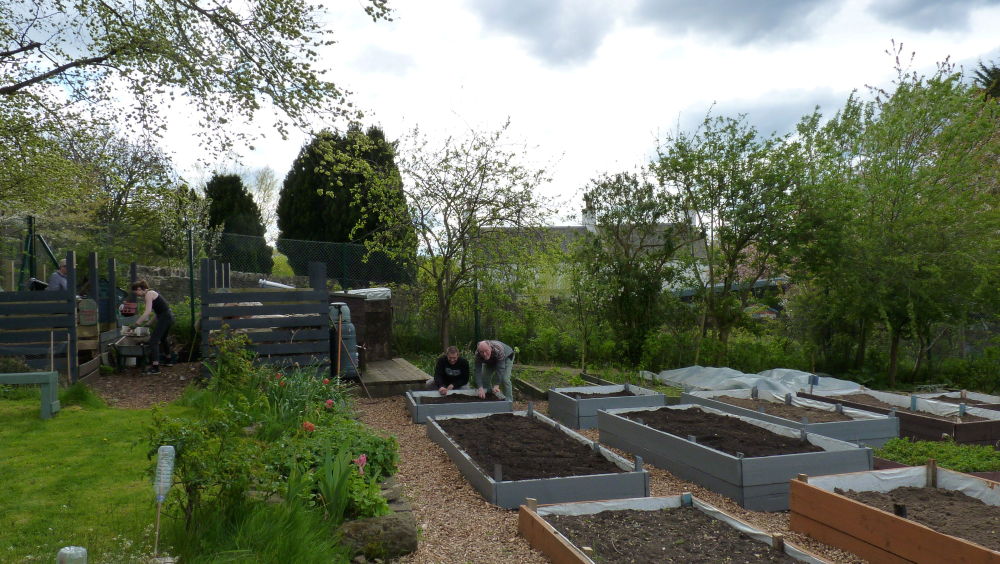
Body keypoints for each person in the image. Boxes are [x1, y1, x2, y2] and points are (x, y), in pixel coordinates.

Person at [128, 280, 174, 374]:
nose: (137, 295)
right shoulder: (153, 293)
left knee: (153, 341)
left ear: (139, 289)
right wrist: (148, 324)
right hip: (169, 317)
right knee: (163, 339)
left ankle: (155, 367)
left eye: (136, 293)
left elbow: (147, 312)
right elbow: (158, 313)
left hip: (165, 318)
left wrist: (136, 324)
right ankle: (168, 360)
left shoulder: (149, 294)